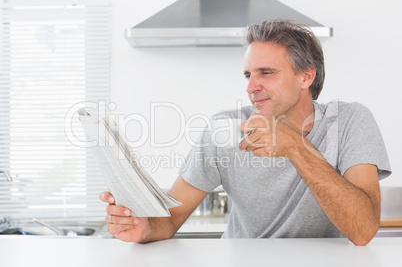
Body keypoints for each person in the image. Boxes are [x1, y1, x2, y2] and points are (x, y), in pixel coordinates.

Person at [99, 19, 391, 246]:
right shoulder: (225, 129)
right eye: (248, 75)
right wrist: (143, 227)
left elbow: (363, 230)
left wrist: (295, 147)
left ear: (306, 76)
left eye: (266, 72)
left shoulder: (350, 120)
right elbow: (170, 219)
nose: (251, 87)